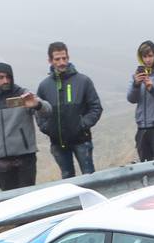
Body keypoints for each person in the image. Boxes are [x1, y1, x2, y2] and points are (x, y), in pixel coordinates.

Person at [35, 42, 104, 178]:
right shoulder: (44, 86)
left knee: (89, 178)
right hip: (58, 143)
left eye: (64, 58)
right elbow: (39, 112)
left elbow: (96, 107)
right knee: (67, 181)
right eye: (57, 59)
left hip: (81, 141)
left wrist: (82, 125)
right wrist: (48, 128)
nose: (62, 62)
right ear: (50, 60)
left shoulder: (83, 81)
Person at [0, 63, 40, 191]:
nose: (5, 81)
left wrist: (37, 104)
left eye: (8, 77)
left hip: (25, 158)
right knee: (9, 200)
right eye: (1, 77)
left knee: (27, 199)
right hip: (3, 161)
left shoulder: (23, 95)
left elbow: (47, 110)